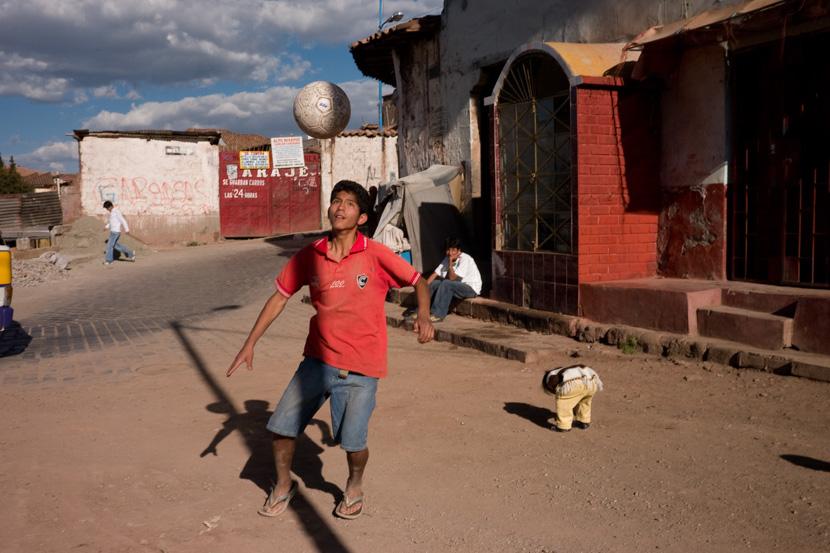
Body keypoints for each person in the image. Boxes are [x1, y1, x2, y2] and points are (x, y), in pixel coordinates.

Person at [227, 180, 435, 520]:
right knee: (281, 427)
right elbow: (279, 297)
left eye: (350, 204)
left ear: (362, 217)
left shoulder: (375, 253)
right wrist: (250, 342)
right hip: (317, 361)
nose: (340, 207)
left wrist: (423, 315)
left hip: (362, 366)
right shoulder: (311, 254)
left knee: (353, 443)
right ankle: (283, 485)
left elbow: (419, 282)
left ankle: (354, 484)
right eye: (336, 201)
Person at [425, 237, 482, 322]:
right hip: (458, 286)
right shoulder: (447, 258)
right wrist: (423, 287)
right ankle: (423, 311)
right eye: (448, 250)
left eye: (453, 250)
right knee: (434, 283)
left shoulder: (465, 259)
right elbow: (434, 274)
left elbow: (452, 278)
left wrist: (450, 264)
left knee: (446, 283)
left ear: (459, 251)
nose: (450, 253)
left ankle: (437, 314)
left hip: (471, 288)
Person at [541, 365, 604, 432]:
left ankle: (563, 426)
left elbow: (555, 386)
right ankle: (584, 421)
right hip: (591, 381)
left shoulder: (550, 376)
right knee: (584, 402)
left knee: (564, 403)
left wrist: (558, 392)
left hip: (574, 383)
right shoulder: (564, 370)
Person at [102, 201, 135, 265]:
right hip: (113, 232)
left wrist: (127, 229)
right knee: (117, 246)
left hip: (115, 232)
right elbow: (111, 222)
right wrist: (106, 227)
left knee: (109, 246)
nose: (107, 210)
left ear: (110, 206)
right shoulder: (112, 212)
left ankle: (109, 260)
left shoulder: (116, 212)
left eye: (107, 208)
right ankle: (131, 254)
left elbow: (123, 220)